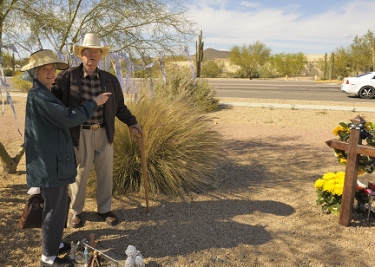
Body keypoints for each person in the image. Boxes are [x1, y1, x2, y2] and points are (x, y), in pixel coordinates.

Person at [22, 49, 111, 267]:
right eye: (45, 69)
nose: (51, 72)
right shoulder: (41, 96)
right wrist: (94, 102)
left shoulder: (44, 93)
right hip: (49, 163)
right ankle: (48, 258)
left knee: (57, 205)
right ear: (35, 73)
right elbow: (68, 117)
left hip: (51, 160)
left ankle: (53, 244)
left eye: (52, 68)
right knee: (55, 208)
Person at [52, 33, 142, 228]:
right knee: (79, 175)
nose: (92, 55)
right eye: (88, 51)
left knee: (105, 173)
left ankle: (104, 209)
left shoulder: (110, 80)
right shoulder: (67, 78)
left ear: (101, 55)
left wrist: (132, 122)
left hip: (103, 131)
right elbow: (56, 106)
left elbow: (119, 106)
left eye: (96, 51)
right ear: (80, 54)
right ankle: (75, 211)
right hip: (79, 133)